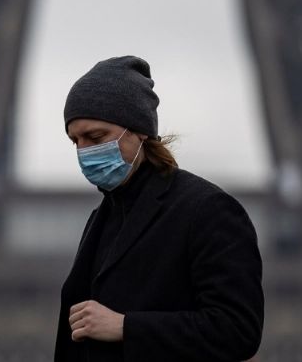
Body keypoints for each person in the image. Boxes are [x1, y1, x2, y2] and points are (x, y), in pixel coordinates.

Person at [54, 55, 264, 362]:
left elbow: (237, 329)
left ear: (139, 131)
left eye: (96, 137)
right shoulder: (101, 219)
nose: (85, 151)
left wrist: (126, 327)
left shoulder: (207, 210)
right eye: (76, 141)